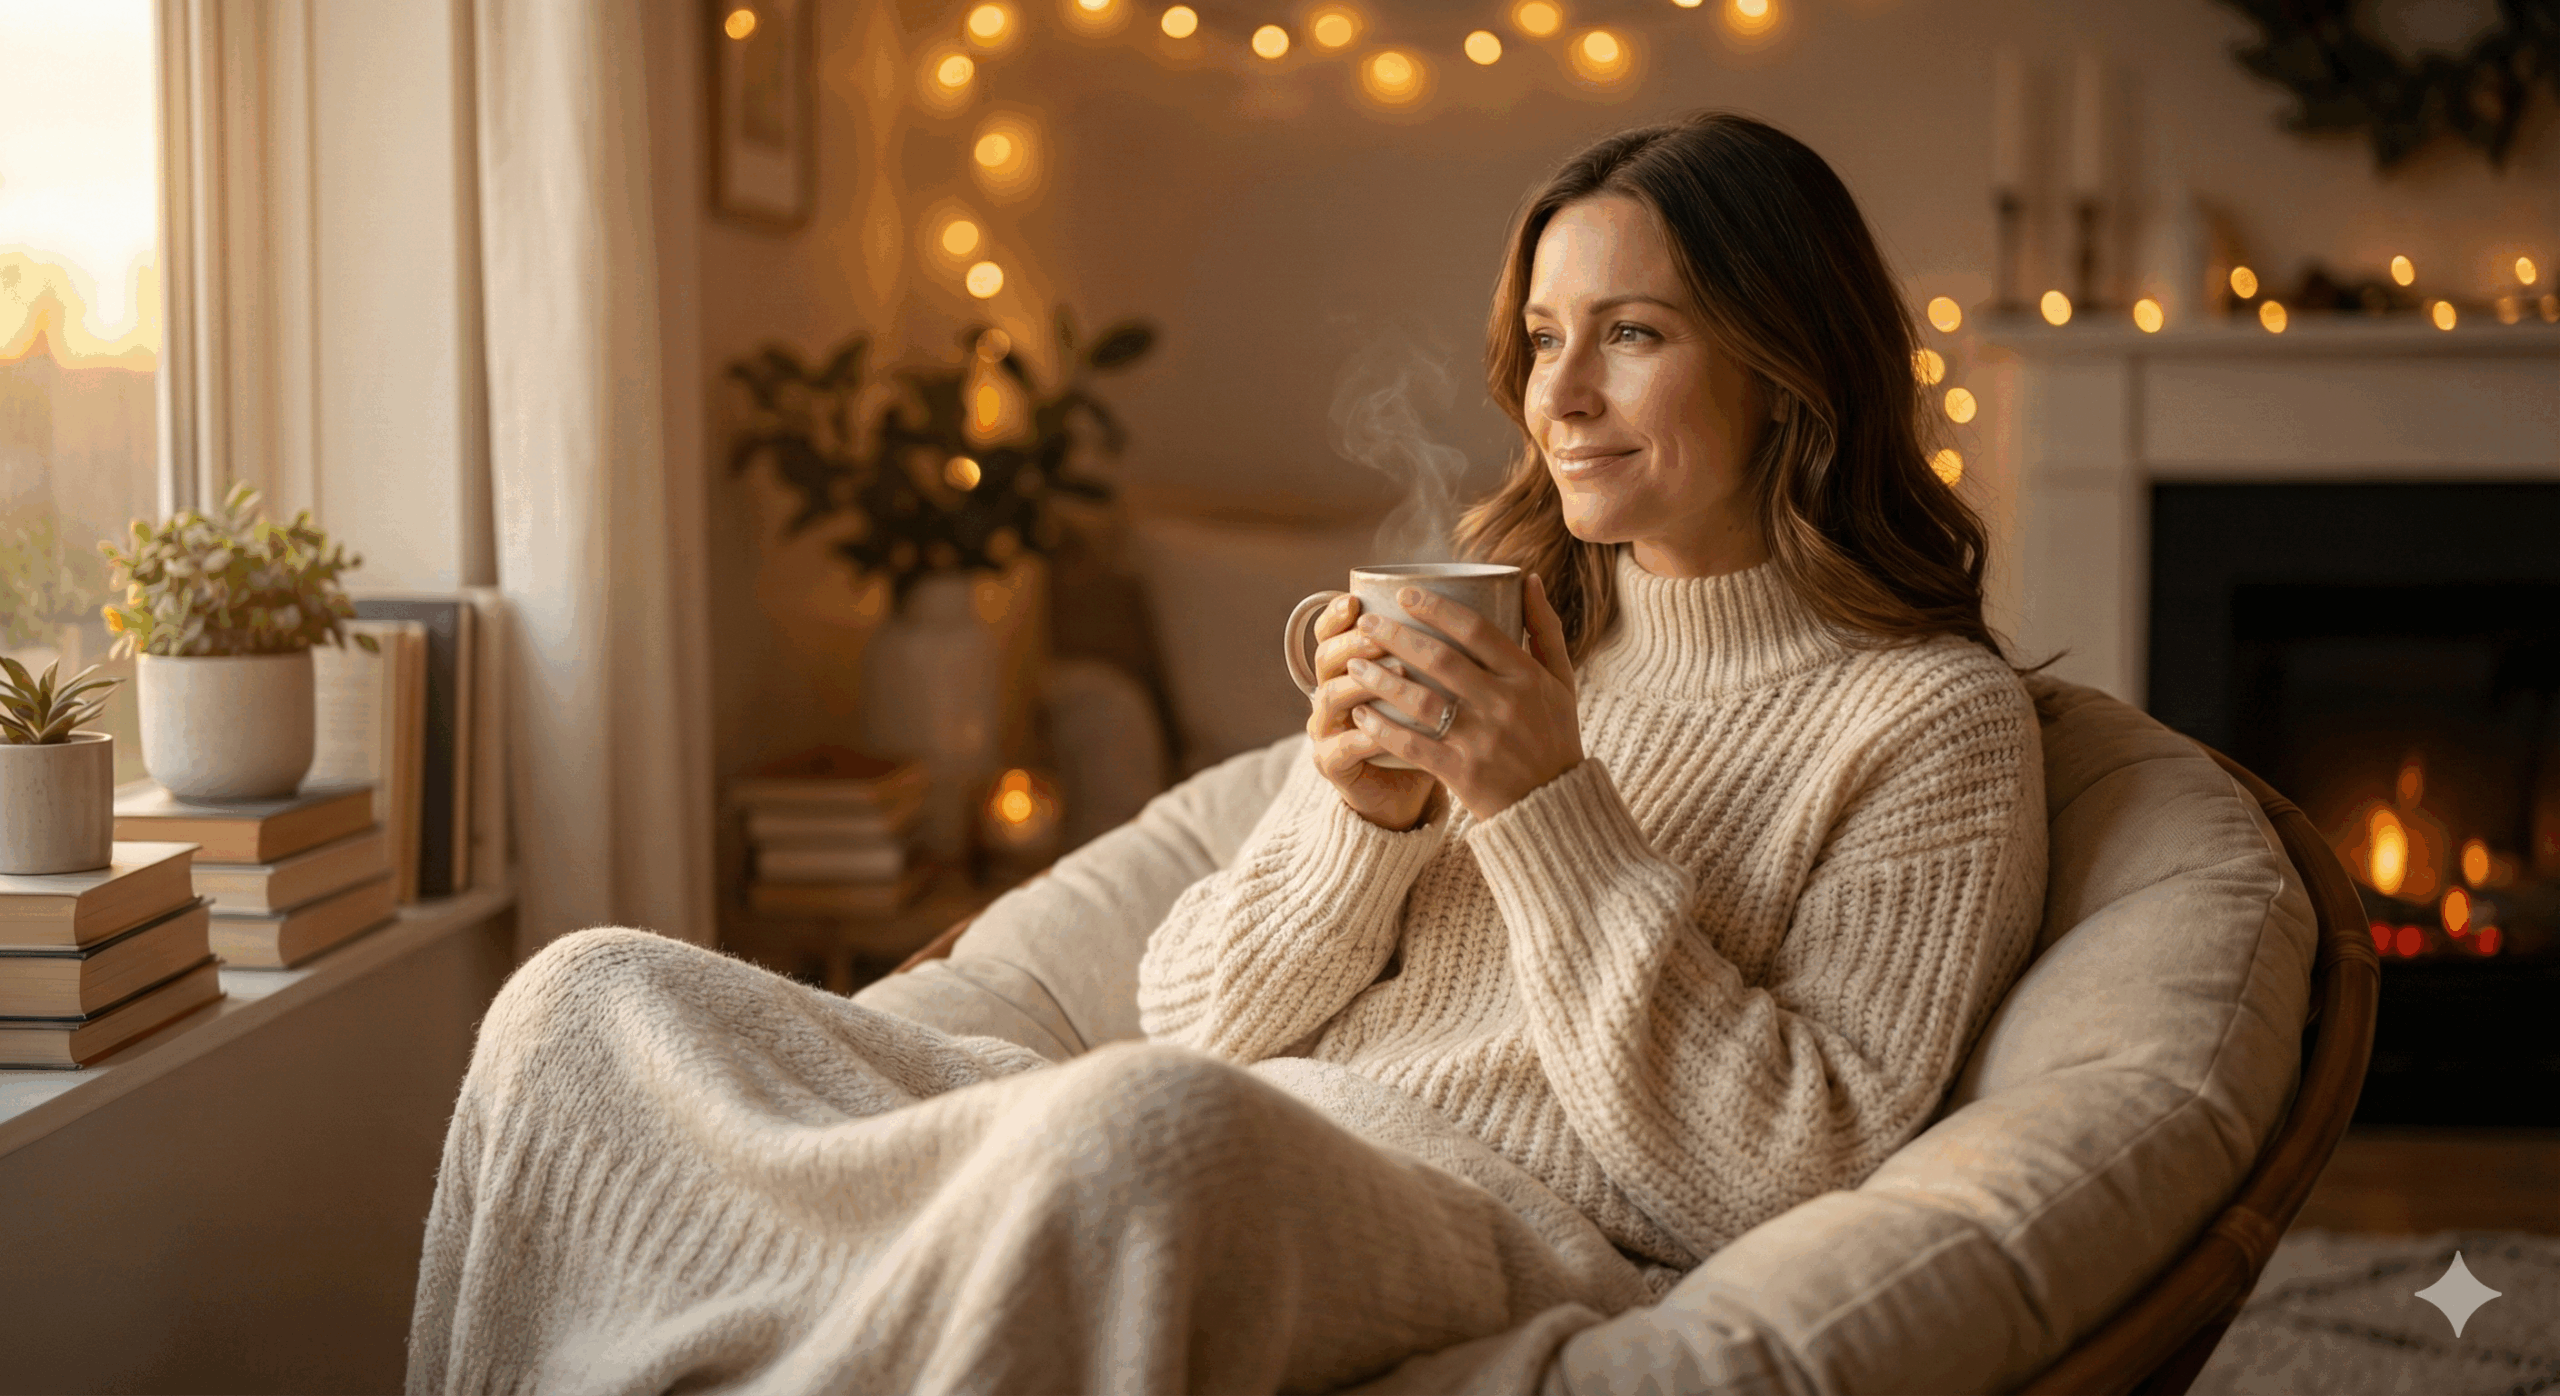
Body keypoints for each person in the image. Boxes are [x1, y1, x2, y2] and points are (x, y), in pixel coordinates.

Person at [407, 110, 2047, 1396]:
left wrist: (1546, 807)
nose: (1561, 396)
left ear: (1785, 367)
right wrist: (1359, 818)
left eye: (1632, 333)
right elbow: (1191, 1016)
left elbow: (1790, 1175)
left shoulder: (1925, 725)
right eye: (1544, 339)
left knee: (1131, 1131)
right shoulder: (1526, 632)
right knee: (591, 999)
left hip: (1485, 1219)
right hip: (1233, 1121)